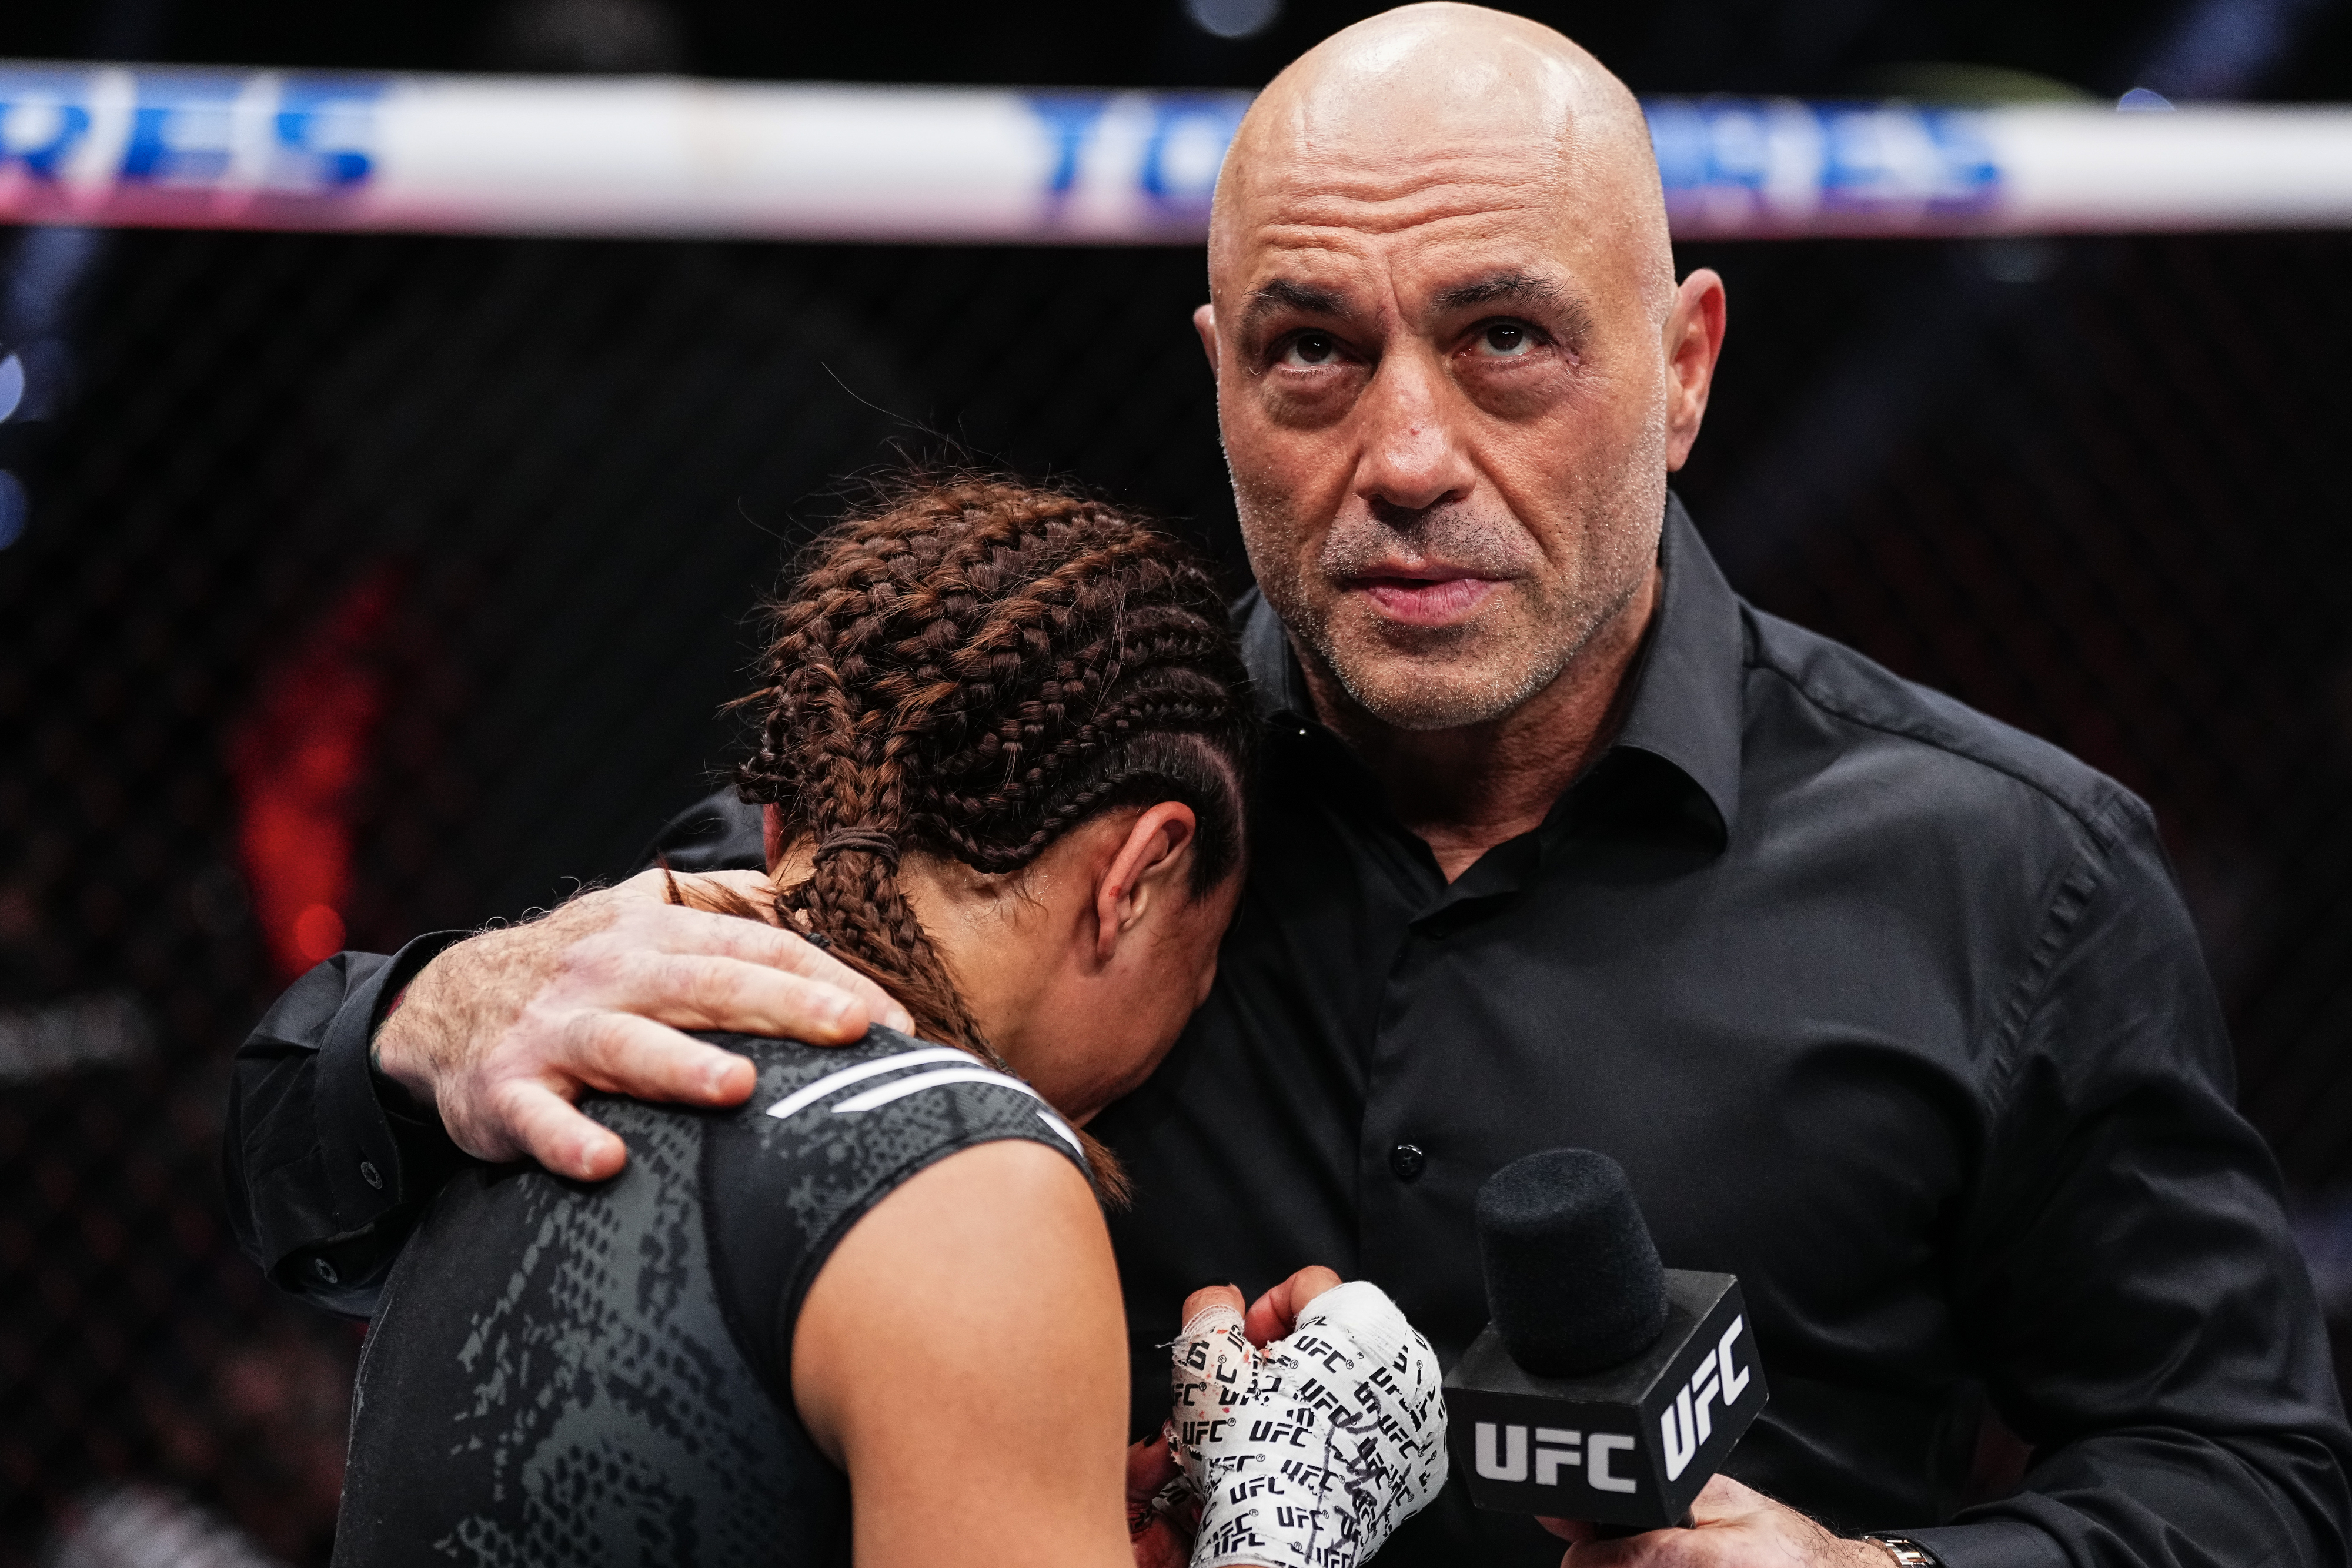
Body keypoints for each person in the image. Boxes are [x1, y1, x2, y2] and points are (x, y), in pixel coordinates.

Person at [228, 7, 2352, 1566]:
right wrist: (431, 1016)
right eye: (1312, 349)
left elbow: (2250, 1481)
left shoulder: (2010, 876)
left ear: (1686, 365)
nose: (1406, 451)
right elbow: (319, 1163)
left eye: (1506, 337)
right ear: (1221, 373)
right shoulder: (1020, 812)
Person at [329, 476, 1450, 1567]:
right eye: (1203, 965)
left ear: (775, 827)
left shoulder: (516, 1089)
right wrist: (1282, 1520)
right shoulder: (967, 1182)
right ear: (1138, 876)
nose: (1195, 1013)